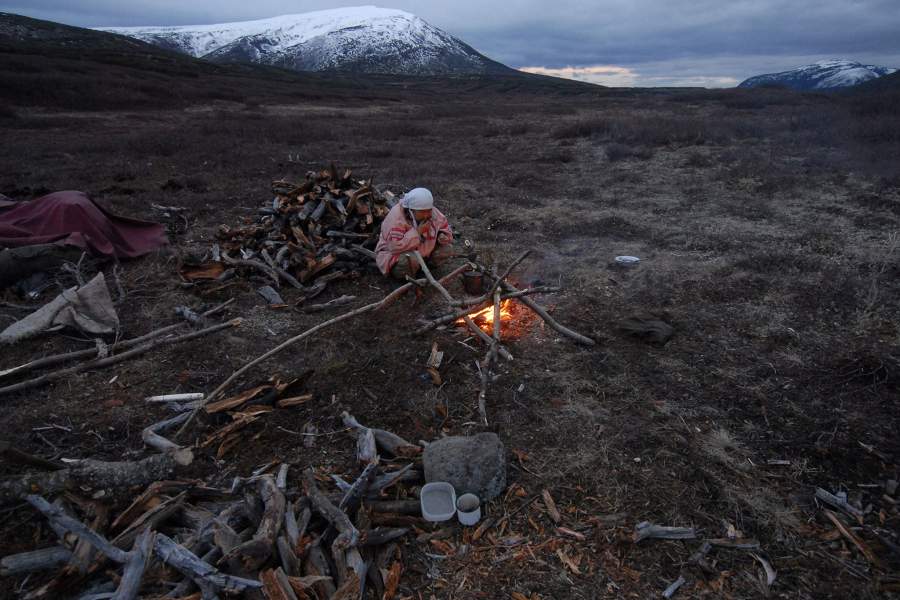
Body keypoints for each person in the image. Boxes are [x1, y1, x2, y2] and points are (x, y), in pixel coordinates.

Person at [375, 187, 453, 279]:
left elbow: (445, 226)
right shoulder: (396, 219)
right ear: (411, 210)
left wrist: (441, 234)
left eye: (428, 211)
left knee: (447, 249)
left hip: (422, 251)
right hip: (395, 253)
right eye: (422, 212)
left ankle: (425, 268)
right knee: (410, 260)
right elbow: (394, 247)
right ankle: (404, 277)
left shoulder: (431, 211)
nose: (426, 215)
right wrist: (418, 232)